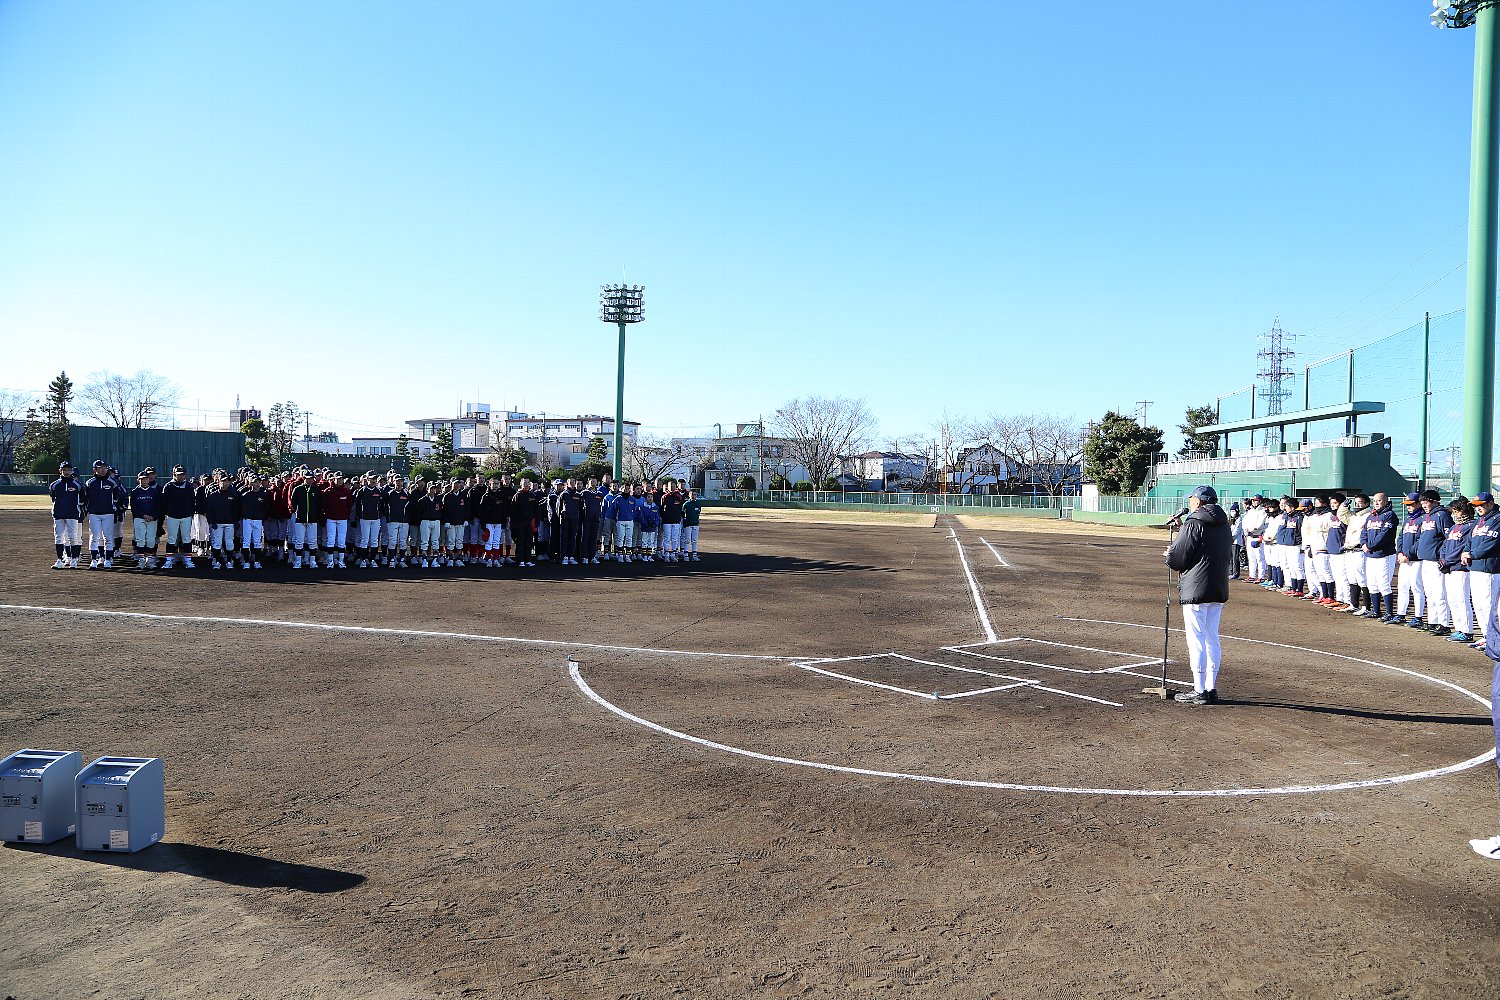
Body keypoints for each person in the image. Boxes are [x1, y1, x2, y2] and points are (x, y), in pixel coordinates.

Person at [1164, 485, 1232, 706]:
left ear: (1200, 501)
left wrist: (1170, 553)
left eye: (1192, 498)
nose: (1191, 502)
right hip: (1218, 586)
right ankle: (1210, 688)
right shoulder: (1224, 523)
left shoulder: (1194, 522)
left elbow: (1179, 558)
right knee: (1212, 636)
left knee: (1197, 639)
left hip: (1196, 587)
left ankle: (1199, 690)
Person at [1464, 492, 1500, 649]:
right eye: (1476, 505)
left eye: (1481, 505)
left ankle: (1494, 639)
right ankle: (1486, 636)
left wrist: (1472, 554)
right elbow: (1469, 541)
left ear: (1490, 503)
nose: (1477, 508)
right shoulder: (1479, 521)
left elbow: (1490, 543)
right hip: (1476, 567)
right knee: (1478, 604)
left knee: (1489, 605)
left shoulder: (1497, 519)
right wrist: (1466, 552)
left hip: (1489, 569)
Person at [1416, 489, 1455, 635]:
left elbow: (1448, 538)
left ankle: (1444, 624)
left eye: (1426, 502)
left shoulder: (1442, 515)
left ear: (1434, 502)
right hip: (1425, 560)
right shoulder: (1426, 517)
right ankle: (1433, 621)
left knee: (1439, 593)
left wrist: (1443, 557)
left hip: (1436, 561)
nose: (1423, 505)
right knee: (1430, 593)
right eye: (1422, 502)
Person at [1440, 497, 1476, 643]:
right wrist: (1442, 559)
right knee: (1452, 599)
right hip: (1449, 568)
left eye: (1456, 511)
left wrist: (1448, 560)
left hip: (1461, 568)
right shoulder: (1455, 527)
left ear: (1464, 511)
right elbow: (1445, 545)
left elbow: (1462, 548)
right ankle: (1459, 628)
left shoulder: (1470, 526)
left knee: (1462, 599)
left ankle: (1467, 631)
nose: (1454, 514)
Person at [1360, 492, 1399, 622]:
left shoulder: (1390, 515)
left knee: (1384, 584)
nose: (1376, 503)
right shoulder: (1371, 516)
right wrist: (1363, 544)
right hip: (1371, 555)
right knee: (1372, 584)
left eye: (1379, 500)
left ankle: (1389, 613)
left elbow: (1384, 535)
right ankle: (1376, 610)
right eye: (1375, 501)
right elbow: (1364, 531)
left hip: (1384, 555)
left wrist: (1369, 545)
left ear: (1386, 501)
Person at [82, 459, 126, 569]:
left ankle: (107, 560)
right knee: (94, 536)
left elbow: (116, 496)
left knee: (108, 537)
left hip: (108, 513)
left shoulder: (112, 482)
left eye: (105, 467)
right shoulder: (90, 482)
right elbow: (86, 498)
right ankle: (94, 560)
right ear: (94, 469)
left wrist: (111, 506)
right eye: (100, 467)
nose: (103, 470)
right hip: (94, 513)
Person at [1395, 492, 1426, 627]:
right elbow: (1400, 537)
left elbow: (1420, 540)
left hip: (1416, 560)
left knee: (1416, 588)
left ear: (1419, 504)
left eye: (1411, 504)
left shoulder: (1423, 519)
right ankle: (1401, 614)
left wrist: (1408, 554)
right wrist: (1400, 552)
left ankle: (1418, 617)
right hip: (1404, 559)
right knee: (1402, 587)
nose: (1408, 507)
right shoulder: (1407, 519)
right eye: (1407, 505)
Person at [47, 461, 84, 569]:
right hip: (58, 514)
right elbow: (53, 498)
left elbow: (82, 499)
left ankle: (73, 560)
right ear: (60, 471)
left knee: (73, 537)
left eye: (68, 470)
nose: (66, 472)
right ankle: (59, 560)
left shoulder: (77, 485)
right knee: (59, 537)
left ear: (72, 471)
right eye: (64, 470)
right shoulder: (54, 485)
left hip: (72, 514)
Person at [128, 469, 162, 569]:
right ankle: (141, 560)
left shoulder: (154, 491)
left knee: (151, 540)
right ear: (139, 480)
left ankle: (149, 560)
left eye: (146, 478)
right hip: (139, 518)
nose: (145, 480)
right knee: (140, 540)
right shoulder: (135, 492)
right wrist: (143, 515)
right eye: (142, 479)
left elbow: (158, 506)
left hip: (152, 519)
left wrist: (153, 516)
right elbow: (134, 507)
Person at [682, 488, 702, 560]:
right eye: (692, 494)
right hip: (688, 524)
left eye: (695, 495)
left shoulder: (698, 504)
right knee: (687, 540)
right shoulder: (686, 504)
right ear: (689, 495)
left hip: (695, 524)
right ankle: (686, 555)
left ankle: (694, 555)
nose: (693, 496)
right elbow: (683, 514)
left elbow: (698, 513)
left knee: (694, 540)